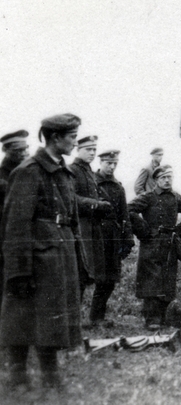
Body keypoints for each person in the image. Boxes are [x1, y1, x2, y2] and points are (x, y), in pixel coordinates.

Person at [1, 114, 85, 390]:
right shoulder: (29, 170)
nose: (74, 141)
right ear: (55, 138)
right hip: (37, 255)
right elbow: (15, 224)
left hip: (59, 252)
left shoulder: (63, 171)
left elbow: (71, 217)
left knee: (50, 316)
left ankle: (50, 373)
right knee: (22, 313)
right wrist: (18, 271)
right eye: (71, 137)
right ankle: (17, 373)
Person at [129, 165, 181, 328]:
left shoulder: (176, 197)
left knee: (167, 279)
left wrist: (180, 232)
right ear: (156, 180)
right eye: (163, 178)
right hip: (151, 243)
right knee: (151, 279)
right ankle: (152, 318)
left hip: (169, 244)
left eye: (169, 177)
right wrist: (144, 230)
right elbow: (129, 209)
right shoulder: (148, 196)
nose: (167, 180)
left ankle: (161, 316)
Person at [89, 150, 134, 326]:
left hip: (113, 237)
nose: (112, 167)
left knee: (111, 278)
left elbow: (125, 214)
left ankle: (97, 317)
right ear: (101, 163)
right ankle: (93, 317)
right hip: (96, 235)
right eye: (109, 163)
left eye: (115, 163)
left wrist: (128, 239)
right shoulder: (92, 183)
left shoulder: (118, 187)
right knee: (98, 277)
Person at [69, 135, 113, 299]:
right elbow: (71, 198)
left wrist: (100, 203)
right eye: (88, 149)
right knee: (80, 272)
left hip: (92, 227)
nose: (92, 153)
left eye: (94, 149)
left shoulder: (88, 171)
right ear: (78, 149)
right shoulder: (72, 170)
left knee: (89, 272)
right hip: (80, 227)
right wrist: (95, 204)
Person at [0, 130, 30, 302]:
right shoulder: (4, 177)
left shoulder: (26, 173)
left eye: (25, 149)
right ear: (7, 150)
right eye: (19, 150)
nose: (24, 153)